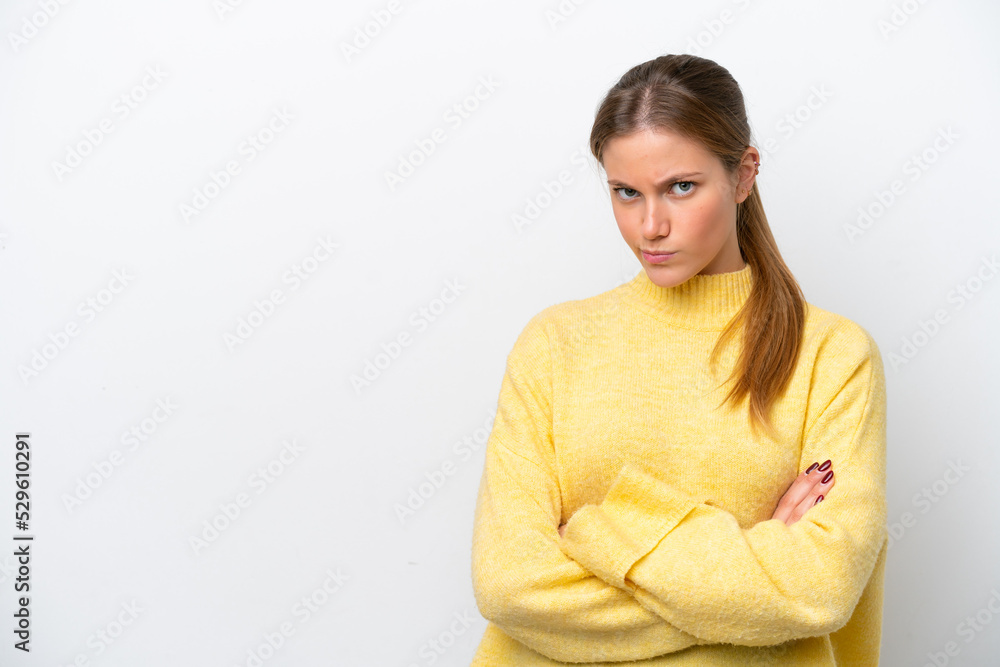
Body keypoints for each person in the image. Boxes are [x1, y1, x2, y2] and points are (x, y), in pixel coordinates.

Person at [469, 53, 888, 666]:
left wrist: (599, 535)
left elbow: (819, 590)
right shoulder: (553, 344)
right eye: (626, 193)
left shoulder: (832, 356)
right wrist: (749, 580)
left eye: (681, 187)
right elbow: (509, 583)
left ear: (744, 176)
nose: (650, 226)